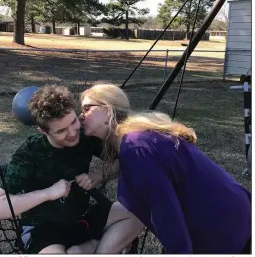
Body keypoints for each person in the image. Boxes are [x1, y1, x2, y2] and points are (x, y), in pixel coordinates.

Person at [80, 83, 251, 254]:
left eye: (87, 108)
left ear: (108, 110)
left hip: (221, 227)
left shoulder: (135, 148)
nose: (81, 116)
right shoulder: (137, 138)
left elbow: (164, 212)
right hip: (233, 213)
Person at [0, 84, 143, 254]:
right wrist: (48, 193)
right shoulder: (30, 153)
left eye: (74, 121)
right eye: (61, 131)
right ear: (43, 131)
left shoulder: (84, 135)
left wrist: (99, 175)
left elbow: (124, 160)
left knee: (138, 212)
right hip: (43, 228)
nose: (72, 133)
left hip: (82, 217)